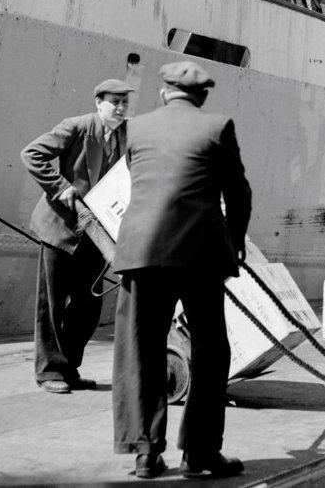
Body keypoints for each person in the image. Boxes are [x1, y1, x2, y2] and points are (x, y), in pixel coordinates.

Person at [112, 61, 251, 480]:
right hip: (199, 255)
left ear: (161, 93)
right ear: (202, 96)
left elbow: (143, 180)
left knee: (141, 350)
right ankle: (199, 454)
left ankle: (145, 453)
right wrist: (236, 240)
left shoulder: (134, 129)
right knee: (210, 352)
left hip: (143, 250)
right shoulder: (218, 126)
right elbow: (238, 193)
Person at [21, 78, 134, 394]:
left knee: (88, 306)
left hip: (97, 233)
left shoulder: (128, 135)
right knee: (52, 304)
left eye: (125, 102)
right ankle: (49, 372)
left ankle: (68, 367)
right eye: (115, 101)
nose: (121, 108)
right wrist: (61, 187)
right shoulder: (77, 127)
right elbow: (32, 154)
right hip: (60, 228)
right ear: (99, 102)